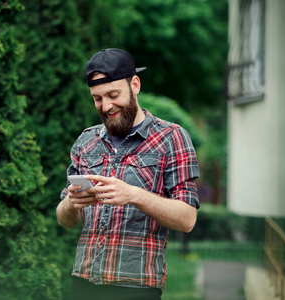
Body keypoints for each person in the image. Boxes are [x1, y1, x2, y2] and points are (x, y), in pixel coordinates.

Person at [56, 48, 200, 300]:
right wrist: (70, 204)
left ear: (135, 84)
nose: (106, 106)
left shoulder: (171, 138)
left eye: (113, 95)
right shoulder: (85, 141)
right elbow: (66, 220)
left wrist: (133, 195)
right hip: (83, 282)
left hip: (136, 289)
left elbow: (187, 219)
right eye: (97, 98)